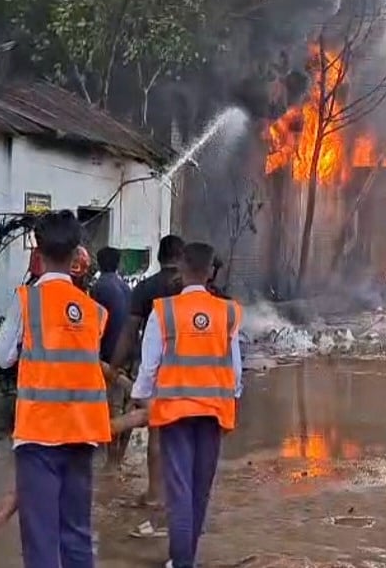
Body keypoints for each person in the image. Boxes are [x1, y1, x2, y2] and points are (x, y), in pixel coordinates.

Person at [0, 210, 113, 568]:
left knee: (41, 538)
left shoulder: (27, 301)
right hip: (84, 434)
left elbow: (1, 357)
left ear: (37, 253)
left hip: (39, 436)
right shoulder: (94, 311)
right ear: (77, 255)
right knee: (76, 533)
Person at [131, 242, 243, 568]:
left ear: (180, 269)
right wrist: (229, 402)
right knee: (199, 492)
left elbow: (149, 367)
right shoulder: (228, 311)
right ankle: (186, 559)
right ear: (210, 272)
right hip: (213, 414)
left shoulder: (163, 311)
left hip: (176, 414)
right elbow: (235, 371)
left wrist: (142, 397)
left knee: (179, 492)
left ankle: (181, 563)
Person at [110, 235, 185, 535]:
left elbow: (130, 331)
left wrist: (115, 366)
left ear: (159, 258)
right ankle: (174, 500)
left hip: (154, 366)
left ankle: (155, 492)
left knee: (156, 427)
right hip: (189, 373)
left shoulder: (146, 288)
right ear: (181, 257)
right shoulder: (188, 287)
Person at [91, 247, 134, 470]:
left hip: (108, 356)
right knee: (128, 407)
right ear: (117, 264)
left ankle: (110, 463)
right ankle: (118, 459)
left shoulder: (99, 288)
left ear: (98, 263)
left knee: (111, 409)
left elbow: (95, 325)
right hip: (129, 355)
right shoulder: (126, 288)